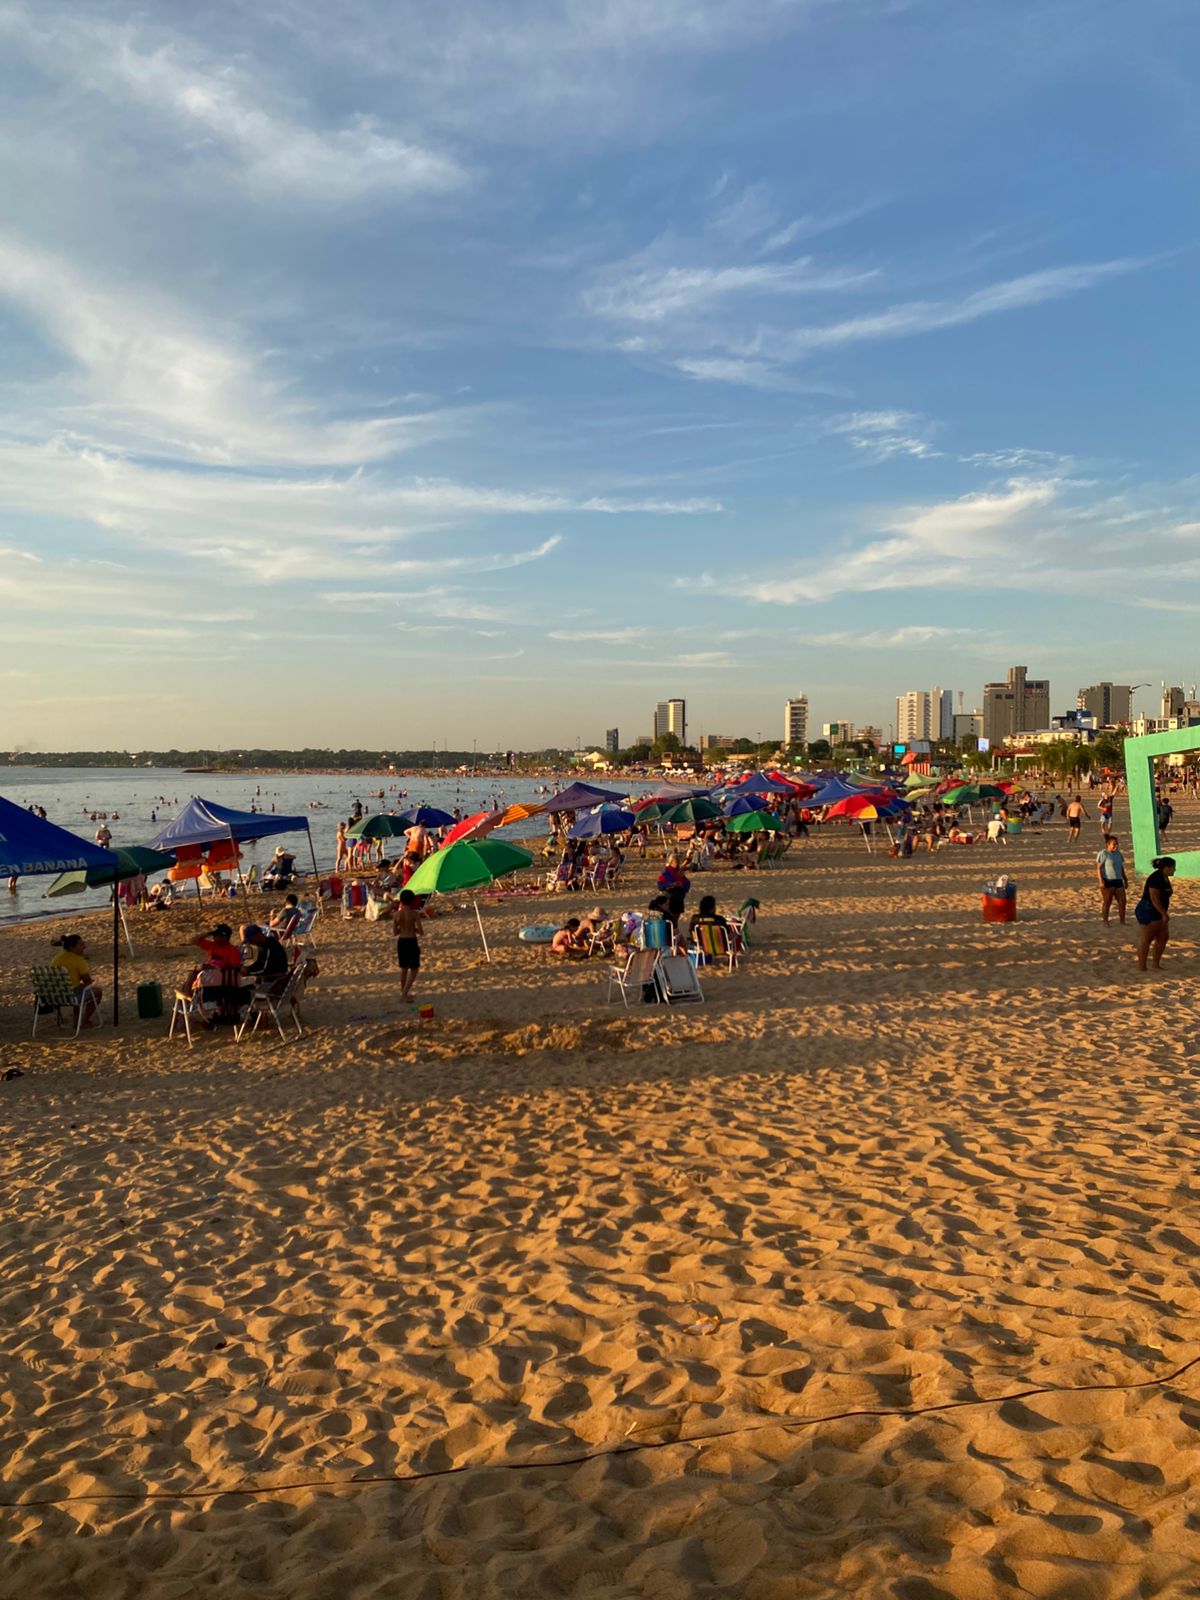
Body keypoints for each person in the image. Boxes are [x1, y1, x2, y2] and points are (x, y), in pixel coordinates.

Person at [50, 934, 101, 1026]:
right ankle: (84, 1020)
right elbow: (87, 980)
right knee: (97, 992)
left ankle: (76, 1021)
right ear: (72, 947)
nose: (84, 947)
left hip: (54, 996)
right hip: (71, 996)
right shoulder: (78, 960)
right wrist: (87, 982)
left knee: (77, 988)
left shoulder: (57, 959)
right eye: (81, 945)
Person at [1135, 855, 1175, 971]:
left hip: (1159, 909)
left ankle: (1155, 964)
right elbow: (1154, 898)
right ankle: (1142, 967)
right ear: (1166, 868)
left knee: (1163, 937)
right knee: (1147, 938)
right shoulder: (1155, 878)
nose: (1174, 870)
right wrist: (1164, 914)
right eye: (1173, 868)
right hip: (1148, 910)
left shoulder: (1164, 877)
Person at [391, 889, 424, 1002]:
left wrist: (403, 927)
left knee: (404, 969)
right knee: (414, 969)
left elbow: (395, 932)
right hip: (411, 941)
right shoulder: (414, 914)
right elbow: (421, 932)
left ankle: (403, 992)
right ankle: (404, 994)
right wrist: (413, 928)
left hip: (402, 941)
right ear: (412, 900)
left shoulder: (396, 915)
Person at [240, 925, 290, 993]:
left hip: (276, 980)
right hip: (271, 976)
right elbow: (260, 963)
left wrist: (249, 972)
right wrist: (248, 968)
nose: (250, 943)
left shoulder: (270, 946)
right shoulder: (264, 944)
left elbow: (265, 968)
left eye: (250, 940)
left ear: (257, 936)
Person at [1096, 834, 1127, 925]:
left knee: (1122, 901)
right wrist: (1101, 881)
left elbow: (1121, 867)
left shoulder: (1118, 854)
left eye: (1117, 844)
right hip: (1107, 880)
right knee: (1107, 901)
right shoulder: (1103, 854)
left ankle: (1122, 921)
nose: (1116, 846)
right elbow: (1098, 868)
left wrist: (1125, 879)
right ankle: (1106, 921)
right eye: (1114, 844)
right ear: (1108, 844)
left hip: (1118, 880)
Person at [657, 854, 690, 927]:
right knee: (670, 919)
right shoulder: (666, 872)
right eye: (676, 862)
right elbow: (660, 885)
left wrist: (682, 884)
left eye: (678, 862)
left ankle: (675, 929)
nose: (678, 864)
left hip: (679, 898)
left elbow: (687, 883)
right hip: (669, 898)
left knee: (676, 917)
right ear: (671, 862)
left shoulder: (679, 871)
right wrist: (671, 885)